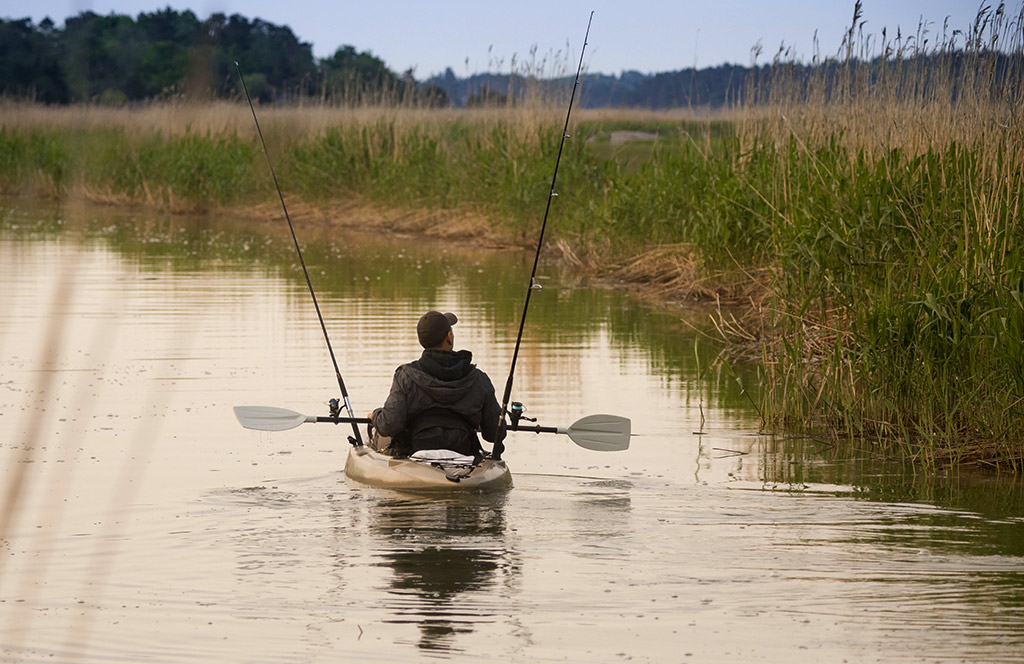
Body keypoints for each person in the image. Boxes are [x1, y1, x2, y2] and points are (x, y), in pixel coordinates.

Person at [369, 311, 505, 458]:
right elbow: (494, 434)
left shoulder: (405, 376)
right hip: (464, 455)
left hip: (414, 454)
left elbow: (389, 425)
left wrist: (375, 415)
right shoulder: (479, 378)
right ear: (449, 337)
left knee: (374, 436)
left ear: (421, 342)